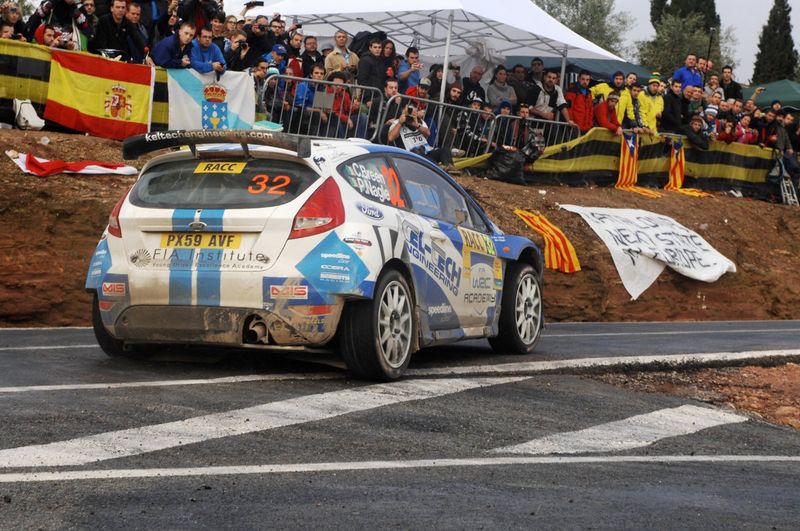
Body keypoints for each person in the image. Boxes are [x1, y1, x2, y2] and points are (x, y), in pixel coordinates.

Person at [385, 104, 454, 168]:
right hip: (412, 155)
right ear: (403, 110)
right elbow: (390, 138)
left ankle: (449, 167)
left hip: (427, 151)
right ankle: (438, 169)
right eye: (409, 110)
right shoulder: (397, 122)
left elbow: (428, 133)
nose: (411, 113)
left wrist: (417, 125)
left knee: (445, 150)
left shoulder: (419, 121)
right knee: (418, 153)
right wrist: (400, 123)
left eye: (413, 111)